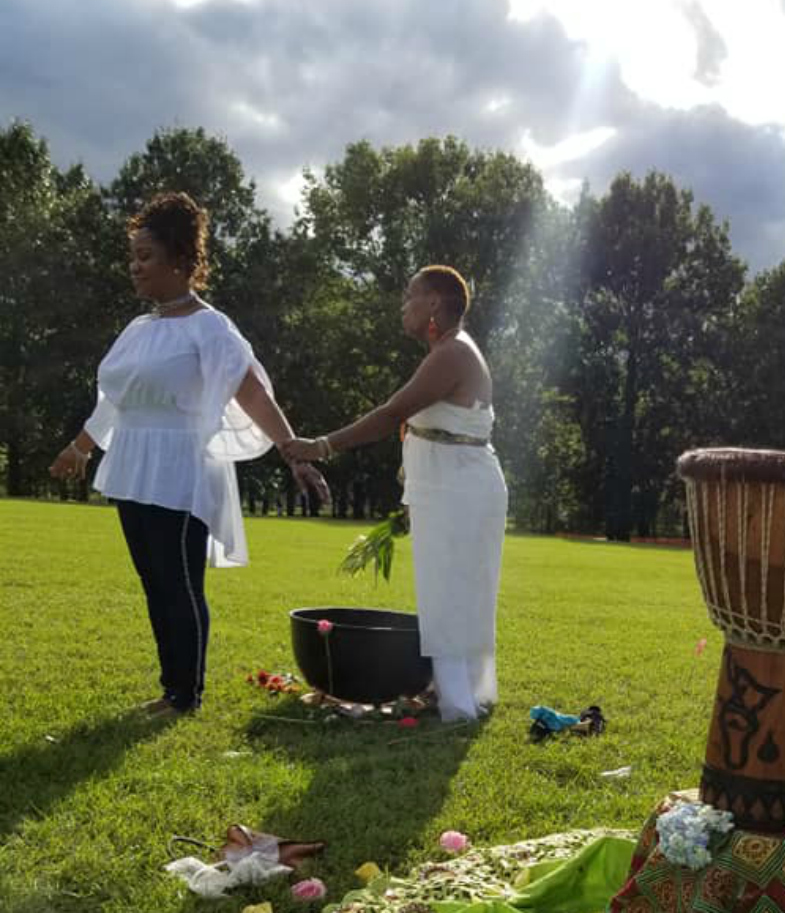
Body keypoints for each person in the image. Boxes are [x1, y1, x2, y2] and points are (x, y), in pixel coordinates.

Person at [48, 191, 328, 717]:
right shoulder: (138, 330)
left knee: (178, 584)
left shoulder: (211, 328)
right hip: (133, 467)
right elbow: (115, 401)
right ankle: (170, 688)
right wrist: (79, 448)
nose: (135, 268)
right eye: (132, 257)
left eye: (146, 257)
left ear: (180, 260)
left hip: (181, 470)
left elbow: (252, 393)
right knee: (155, 585)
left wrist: (295, 453)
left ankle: (185, 696)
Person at [284, 265, 507, 722]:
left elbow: (391, 414)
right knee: (454, 590)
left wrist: (321, 445)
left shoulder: (452, 354)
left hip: (460, 487)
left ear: (434, 304)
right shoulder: (446, 351)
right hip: (453, 485)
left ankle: (459, 703)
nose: (402, 306)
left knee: (449, 592)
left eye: (410, 296)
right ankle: (460, 693)